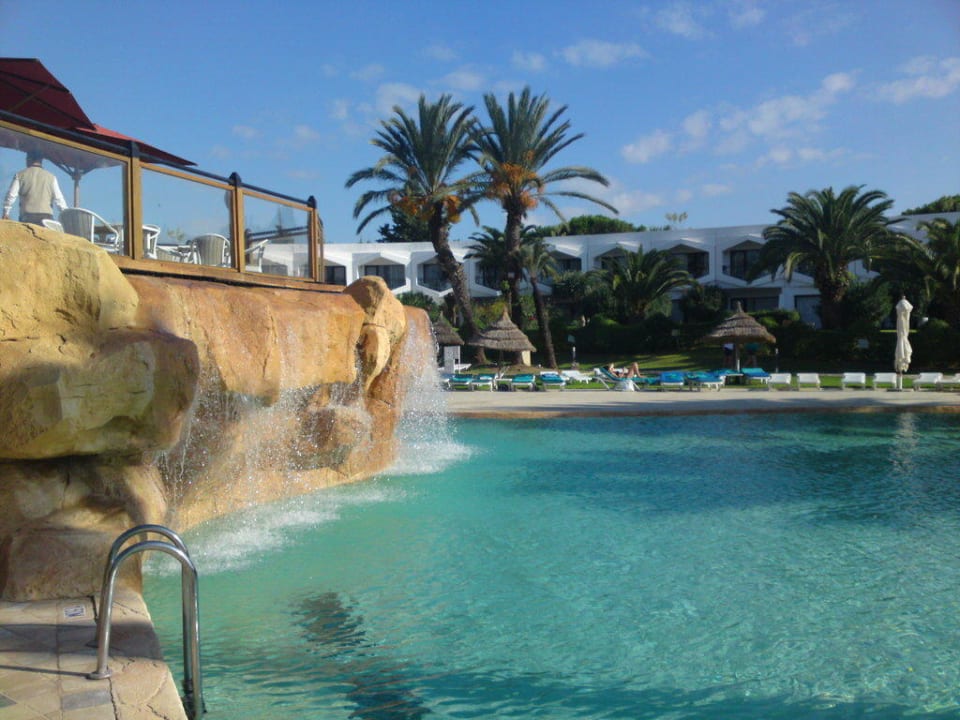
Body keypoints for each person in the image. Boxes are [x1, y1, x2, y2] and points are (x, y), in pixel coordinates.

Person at [2, 151, 67, 226]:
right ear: (41, 161)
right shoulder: (51, 177)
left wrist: (6, 212)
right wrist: (67, 217)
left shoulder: (20, 175)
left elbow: (11, 195)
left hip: (27, 217)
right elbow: (59, 200)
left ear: (28, 159)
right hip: (46, 219)